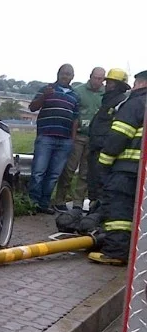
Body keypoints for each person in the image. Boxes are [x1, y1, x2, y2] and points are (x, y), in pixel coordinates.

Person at [88, 69, 147, 265]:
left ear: (140, 83)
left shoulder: (136, 103)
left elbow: (118, 136)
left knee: (119, 210)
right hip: (141, 171)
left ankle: (116, 252)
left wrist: (104, 164)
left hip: (127, 169)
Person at [27, 64, 80, 214]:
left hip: (65, 141)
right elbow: (32, 108)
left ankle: (44, 204)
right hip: (46, 137)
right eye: (63, 73)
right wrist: (44, 96)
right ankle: (33, 203)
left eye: (69, 74)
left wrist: (72, 140)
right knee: (38, 172)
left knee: (53, 175)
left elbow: (75, 119)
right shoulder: (47, 89)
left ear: (72, 77)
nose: (66, 76)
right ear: (58, 74)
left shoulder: (75, 96)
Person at [53, 67, 105, 212]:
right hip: (78, 136)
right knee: (69, 170)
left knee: (85, 173)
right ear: (90, 76)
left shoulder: (105, 94)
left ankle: (78, 202)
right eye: (96, 78)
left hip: (93, 138)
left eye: (101, 79)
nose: (98, 81)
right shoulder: (78, 91)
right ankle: (60, 199)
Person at [85, 68, 131, 204]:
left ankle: (98, 214)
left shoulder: (120, 102)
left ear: (119, 85)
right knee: (93, 182)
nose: (107, 85)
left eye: (110, 83)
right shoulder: (108, 101)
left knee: (101, 184)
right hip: (96, 148)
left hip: (104, 150)